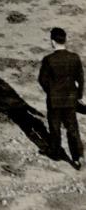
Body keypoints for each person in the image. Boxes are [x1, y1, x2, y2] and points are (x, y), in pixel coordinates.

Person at [38, 27, 84, 169]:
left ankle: (56, 152)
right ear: (65, 39)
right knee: (72, 128)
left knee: (55, 126)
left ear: (52, 41)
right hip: (71, 99)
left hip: (54, 99)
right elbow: (81, 79)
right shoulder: (74, 57)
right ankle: (77, 157)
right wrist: (79, 95)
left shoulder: (49, 60)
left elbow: (42, 80)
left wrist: (50, 90)